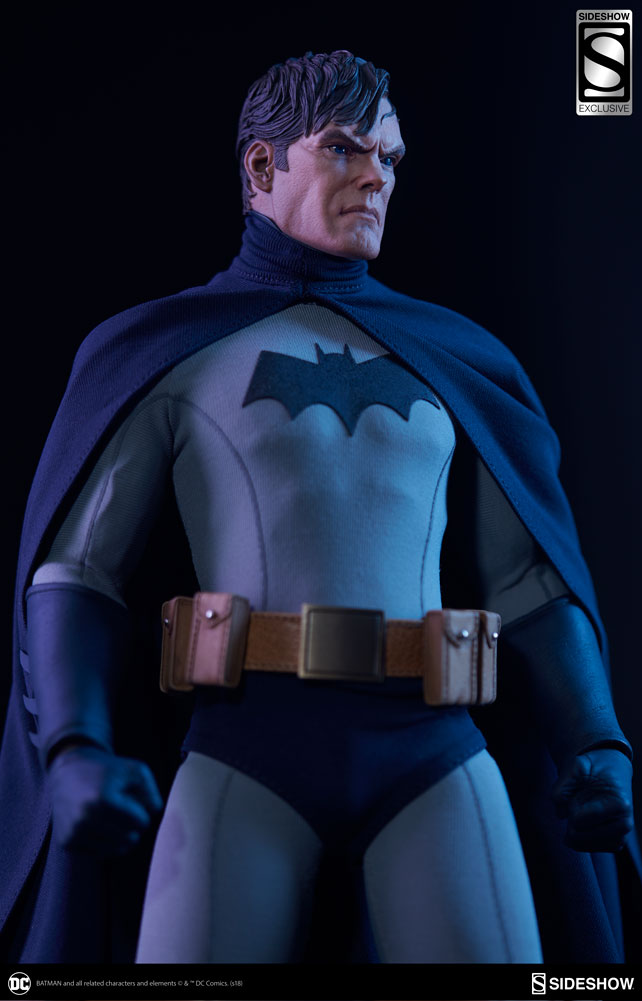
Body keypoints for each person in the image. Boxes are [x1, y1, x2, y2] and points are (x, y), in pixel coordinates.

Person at [0, 50, 637, 964]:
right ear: (263, 166)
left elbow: (528, 578)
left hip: (433, 744)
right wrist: (73, 744)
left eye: (391, 156)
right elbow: (78, 570)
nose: (378, 176)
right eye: (344, 147)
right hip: (246, 740)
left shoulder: (456, 357)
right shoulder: (170, 349)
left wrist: (596, 738)